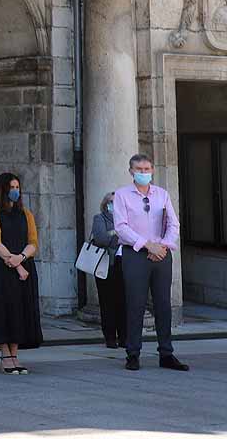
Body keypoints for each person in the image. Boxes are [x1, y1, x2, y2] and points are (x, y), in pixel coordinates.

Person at [114, 153, 187, 372]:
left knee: (163, 304)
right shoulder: (122, 195)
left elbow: (174, 224)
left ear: (152, 170)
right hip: (135, 253)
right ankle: (133, 353)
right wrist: (147, 245)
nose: (143, 173)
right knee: (135, 303)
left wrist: (162, 245)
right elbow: (121, 227)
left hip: (161, 254)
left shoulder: (162, 194)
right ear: (131, 172)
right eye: (139, 170)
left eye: (147, 169)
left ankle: (166, 352)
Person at [0, 172, 43, 374]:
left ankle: (15, 355)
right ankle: (5, 355)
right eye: (12, 188)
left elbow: (33, 242)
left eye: (18, 188)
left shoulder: (26, 213)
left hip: (24, 266)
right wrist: (16, 264)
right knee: (4, 310)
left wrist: (22, 258)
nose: (15, 191)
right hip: (3, 268)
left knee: (20, 311)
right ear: (3, 189)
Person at [91, 191, 127, 350]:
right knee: (107, 303)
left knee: (124, 302)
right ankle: (110, 338)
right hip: (107, 265)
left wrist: (117, 235)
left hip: (124, 264)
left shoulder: (126, 219)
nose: (114, 205)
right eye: (111, 202)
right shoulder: (99, 218)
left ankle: (124, 338)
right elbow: (101, 239)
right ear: (106, 204)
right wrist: (118, 234)